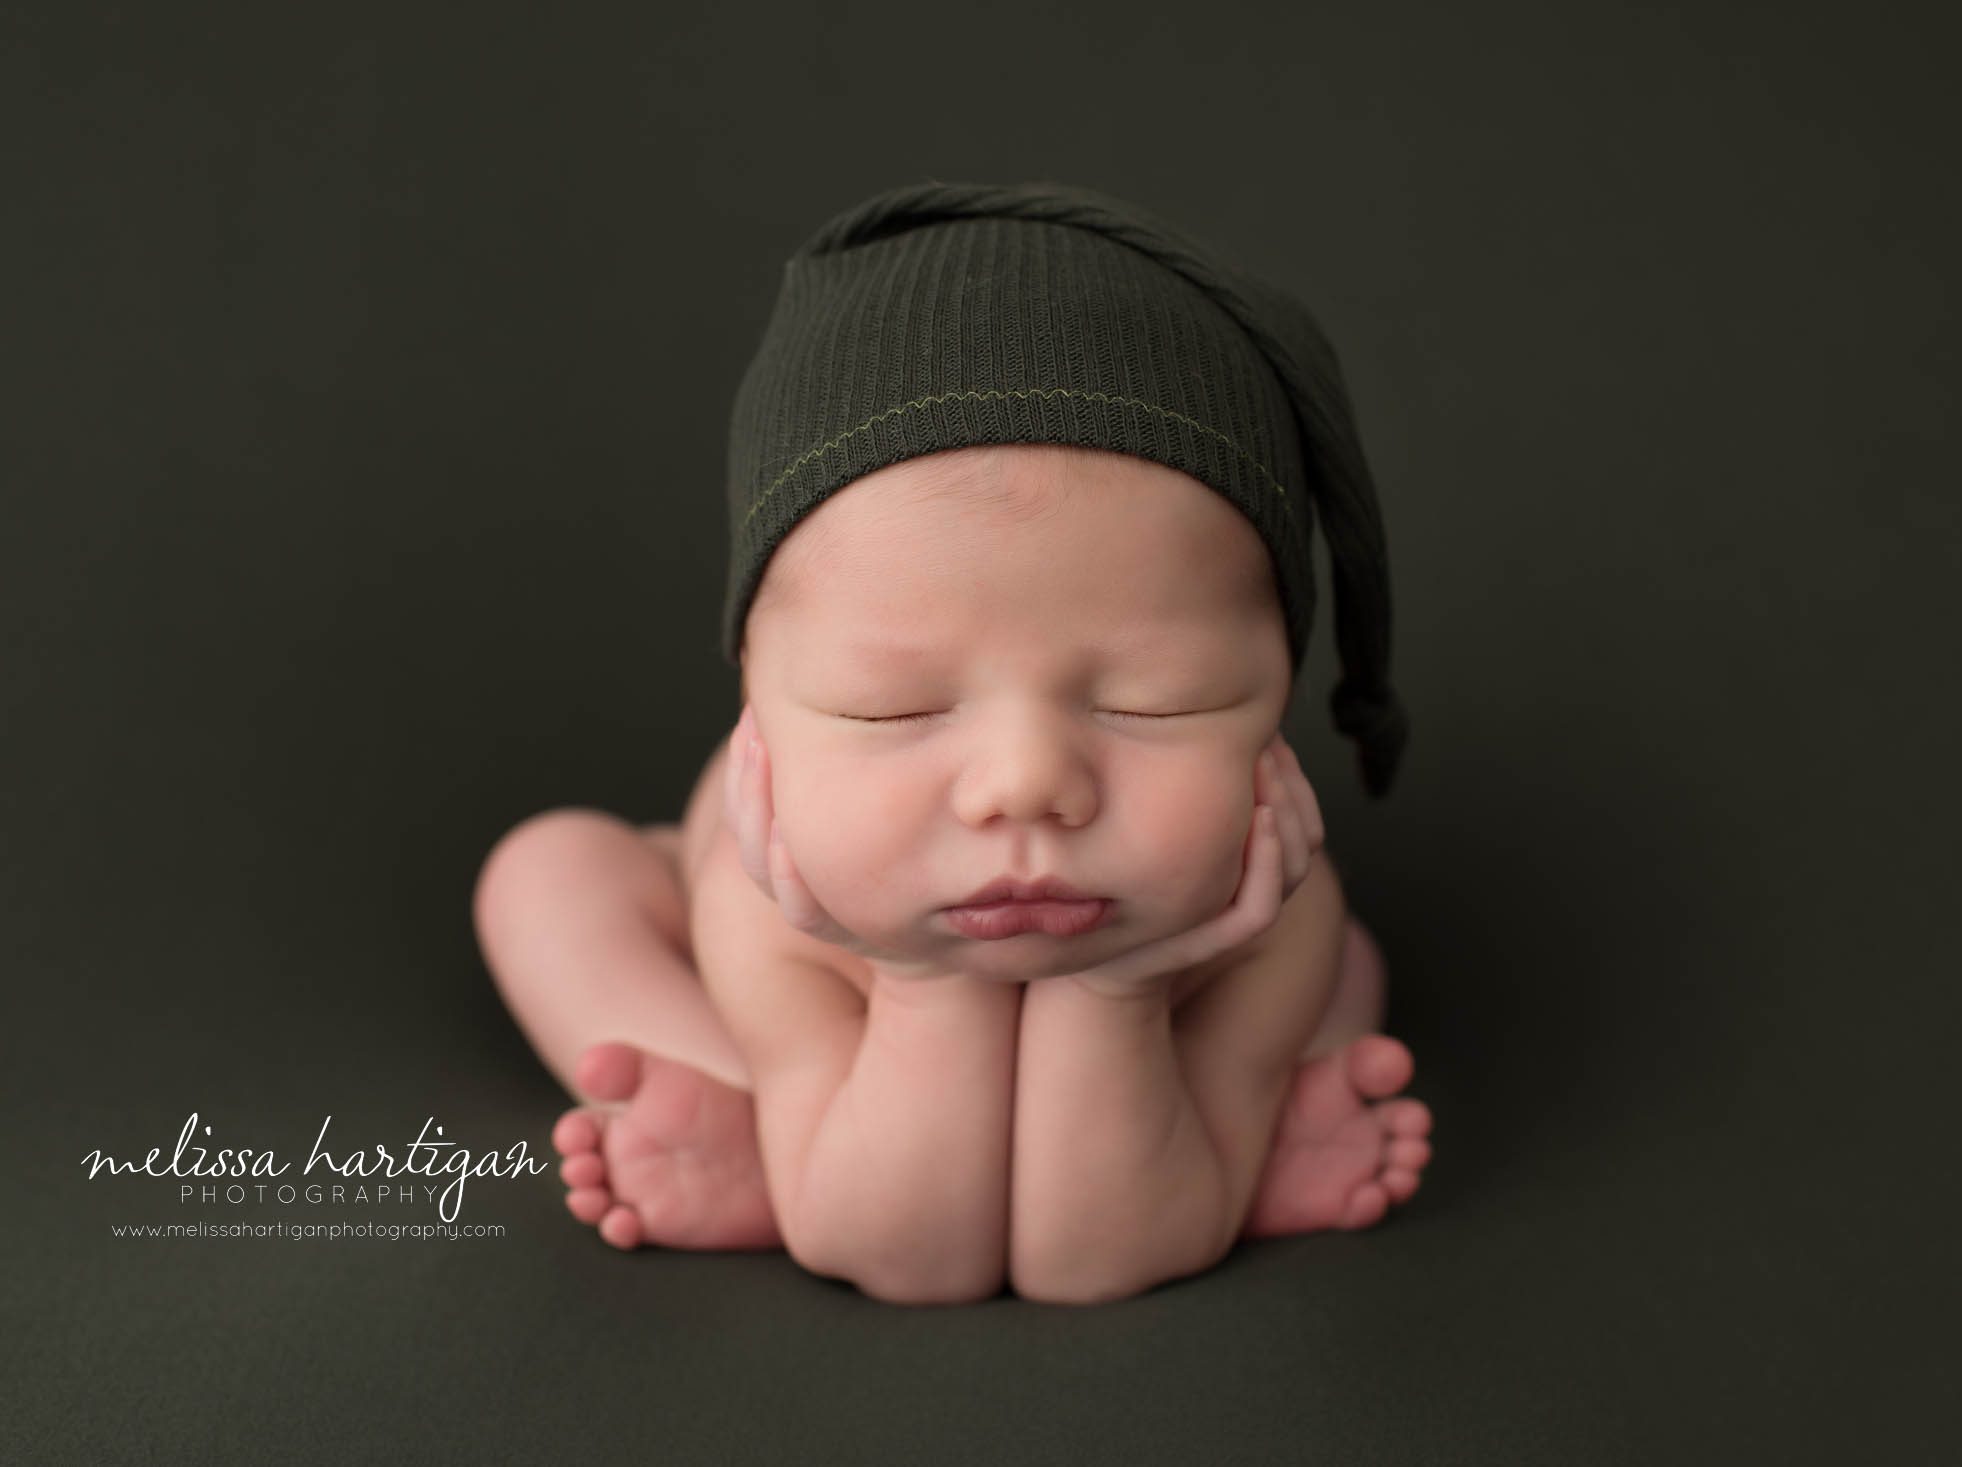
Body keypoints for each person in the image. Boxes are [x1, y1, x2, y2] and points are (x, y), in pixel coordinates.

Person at [471, 181, 1434, 1305]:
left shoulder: (1262, 920)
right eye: (889, 708)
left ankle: (1213, 1116)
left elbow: (1091, 1267)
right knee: (548, 875)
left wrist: (1118, 994)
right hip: (813, 964)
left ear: (1274, 692)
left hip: (1188, 974)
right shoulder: (765, 893)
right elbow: (909, 1261)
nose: (1024, 785)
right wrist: (911, 981)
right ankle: (752, 1105)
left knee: (1343, 960)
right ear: (758, 700)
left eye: (1158, 699)